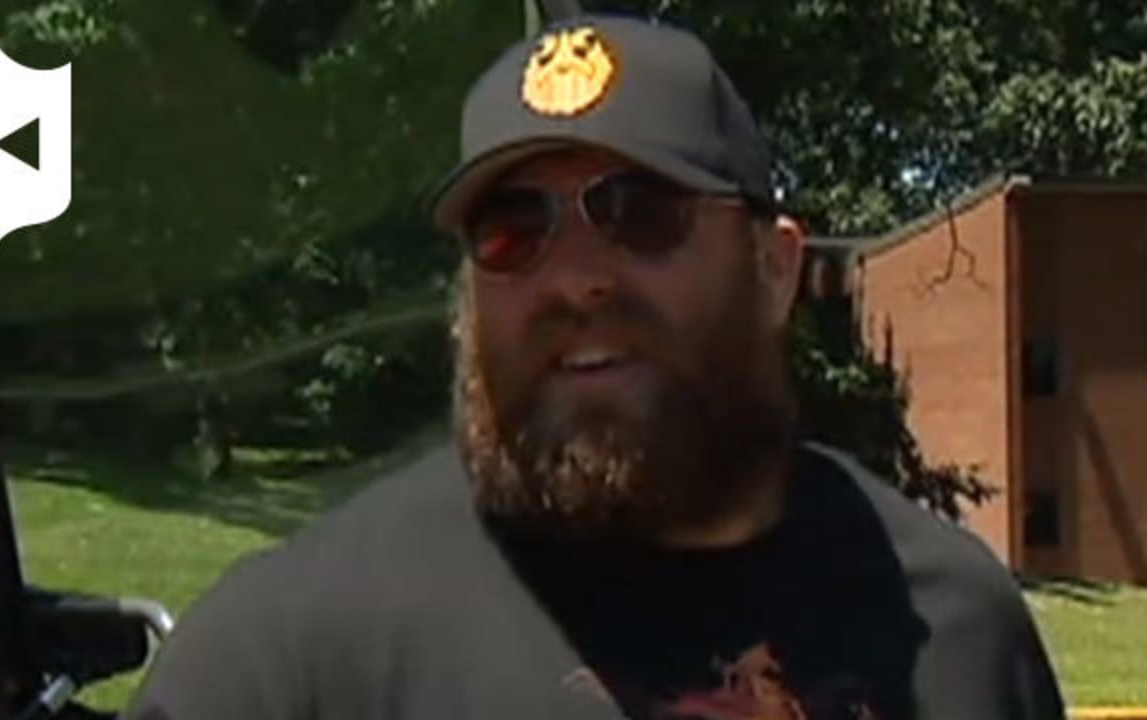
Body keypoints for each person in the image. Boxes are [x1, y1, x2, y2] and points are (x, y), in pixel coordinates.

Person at [123, 12, 1065, 720]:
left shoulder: (952, 633)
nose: (574, 278)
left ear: (775, 267)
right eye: (512, 230)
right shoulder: (291, 664)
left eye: (639, 213)